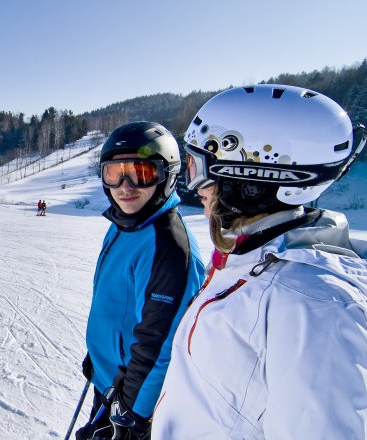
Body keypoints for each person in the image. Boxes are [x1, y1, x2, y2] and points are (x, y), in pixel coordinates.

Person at [152, 84, 367, 439]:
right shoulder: (250, 262)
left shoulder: (311, 303)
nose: (194, 185)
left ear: (248, 176)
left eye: (198, 166)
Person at [77, 122, 206, 440]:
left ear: (168, 174)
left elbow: (158, 344)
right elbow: (118, 308)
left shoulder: (168, 248)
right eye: (114, 173)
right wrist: (99, 355)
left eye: (141, 173)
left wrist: (133, 418)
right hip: (113, 383)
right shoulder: (126, 222)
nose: (125, 186)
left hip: (131, 400)